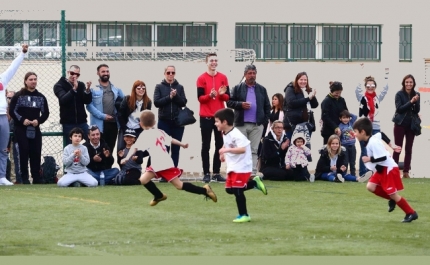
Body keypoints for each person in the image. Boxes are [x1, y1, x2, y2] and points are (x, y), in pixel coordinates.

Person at [121, 110, 217, 206]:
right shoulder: (160, 132)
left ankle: (205, 190)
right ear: (155, 122)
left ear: (140, 124)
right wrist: (182, 144)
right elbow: (171, 140)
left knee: (179, 186)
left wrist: (126, 158)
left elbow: (134, 147)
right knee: (143, 179)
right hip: (159, 163)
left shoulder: (145, 135)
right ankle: (159, 196)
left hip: (163, 164)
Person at [353, 117, 418, 223]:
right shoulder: (373, 138)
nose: (354, 134)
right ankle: (392, 199)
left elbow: (383, 157)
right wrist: (391, 145)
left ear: (363, 132)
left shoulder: (373, 143)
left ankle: (411, 212)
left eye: (355, 132)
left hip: (389, 169)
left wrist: (369, 158)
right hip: (381, 169)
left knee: (393, 194)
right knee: (370, 187)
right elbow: (381, 134)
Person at [214, 108, 267, 223]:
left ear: (224, 122)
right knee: (229, 189)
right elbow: (227, 143)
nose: (215, 123)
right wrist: (223, 150)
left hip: (242, 165)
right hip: (233, 165)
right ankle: (254, 183)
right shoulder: (225, 132)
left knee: (238, 190)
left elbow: (243, 149)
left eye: (217, 121)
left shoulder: (237, 134)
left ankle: (244, 215)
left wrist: (226, 150)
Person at [227, 64, 271, 176]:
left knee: (254, 150)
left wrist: (263, 121)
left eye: (254, 73)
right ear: (245, 75)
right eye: (249, 73)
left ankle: (252, 173)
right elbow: (229, 102)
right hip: (241, 124)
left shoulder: (262, 89)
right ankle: (240, 172)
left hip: (257, 125)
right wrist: (240, 104)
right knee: (241, 149)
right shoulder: (237, 88)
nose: (252, 75)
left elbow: (267, 106)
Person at [8, 71, 50, 184]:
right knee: (23, 153)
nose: (33, 81)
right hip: (20, 129)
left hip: (35, 130)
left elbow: (45, 113)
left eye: (35, 79)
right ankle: (24, 178)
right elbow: (12, 111)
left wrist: (38, 121)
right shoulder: (18, 96)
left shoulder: (41, 97)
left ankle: (36, 177)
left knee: (35, 153)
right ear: (25, 81)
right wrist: (22, 120)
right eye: (30, 79)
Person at [197, 53, 230, 183]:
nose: (214, 62)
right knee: (206, 145)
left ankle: (216, 172)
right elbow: (200, 98)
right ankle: (206, 172)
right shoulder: (201, 78)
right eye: (211, 60)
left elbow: (228, 97)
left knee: (219, 144)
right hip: (205, 116)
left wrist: (222, 95)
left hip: (220, 118)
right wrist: (210, 96)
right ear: (207, 62)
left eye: (216, 60)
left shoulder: (223, 77)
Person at [0, 44, 28, 186]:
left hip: (3, 117)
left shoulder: (2, 79)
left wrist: (22, 54)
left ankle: (1, 177)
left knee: (4, 148)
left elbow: (13, 67)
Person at [153, 65, 187, 167]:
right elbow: (157, 102)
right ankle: (165, 171)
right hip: (164, 121)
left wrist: (176, 96)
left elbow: (183, 103)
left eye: (173, 72)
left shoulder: (180, 87)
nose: (170, 74)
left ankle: (174, 171)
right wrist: (169, 97)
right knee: (164, 147)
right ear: (164, 74)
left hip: (178, 122)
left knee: (176, 148)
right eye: (168, 72)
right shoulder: (159, 87)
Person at [355, 76, 389, 177]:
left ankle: (375, 172)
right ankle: (363, 173)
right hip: (364, 127)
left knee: (376, 150)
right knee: (365, 150)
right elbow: (357, 90)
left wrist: (386, 75)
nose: (370, 87)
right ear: (365, 86)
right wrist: (361, 72)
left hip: (376, 127)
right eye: (368, 85)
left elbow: (385, 89)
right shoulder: (362, 98)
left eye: (373, 85)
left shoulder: (377, 98)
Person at [87, 64, 124, 152]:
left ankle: (109, 166)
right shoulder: (93, 88)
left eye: (107, 71)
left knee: (109, 150)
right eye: (103, 71)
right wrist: (103, 116)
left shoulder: (116, 88)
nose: (105, 73)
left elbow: (125, 101)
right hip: (99, 125)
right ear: (98, 73)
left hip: (113, 124)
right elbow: (89, 106)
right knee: (98, 151)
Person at [53, 65, 92, 145]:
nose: (74, 76)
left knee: (91, 139)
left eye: (77, 74)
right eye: (72, 73)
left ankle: (86, 155)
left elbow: (87, 101)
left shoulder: (80, 85)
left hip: (82, 121)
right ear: (68, 72)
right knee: (70, 146)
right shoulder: (59, 85)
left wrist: (87, 91)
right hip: (68, 123)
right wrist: (74, 89)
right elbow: (63, 99)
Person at [392, 74, 420, 179]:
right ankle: (394, 171)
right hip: (400, 124)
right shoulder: (399, 94)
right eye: (407, 82)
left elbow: (417, 110)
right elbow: (399, 109)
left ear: (413, 84)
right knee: (398, 148)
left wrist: (416, 102)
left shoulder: (417, 94)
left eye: (411, 82)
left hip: (411, 125)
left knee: (409, 149)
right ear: (404, 83)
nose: (409, 84)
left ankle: (406, 172)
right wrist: (411, 102)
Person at [283, 72, 318, 140]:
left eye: (305, 80)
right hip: (293, 124)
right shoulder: (290, 89)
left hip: (307, 124)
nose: (303, 81)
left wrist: (312, 96)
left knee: (306, 148)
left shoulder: (307, 90)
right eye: (301, 79)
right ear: (297, 80)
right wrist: (308, 98)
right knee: (292, 147)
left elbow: (315, 105)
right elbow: (291, 103)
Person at [118, 80, 152, 151]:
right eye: (139, 88)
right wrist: (124, 128)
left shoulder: (148, 102)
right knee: (121, 151)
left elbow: (147, 118)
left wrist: (142, 129)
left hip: (138, 129)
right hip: (126, 127)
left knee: (138, 152)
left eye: (143, 88)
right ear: (134, 89)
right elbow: (120, 114)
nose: (141, 90)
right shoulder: (127, 99)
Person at [6, 90, 21, 184]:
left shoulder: (17, 109)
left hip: (13, 138)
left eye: (12, 98)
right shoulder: (3, 109)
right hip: (4, 138)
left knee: (14, 159)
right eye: (8, 98)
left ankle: (14, 178)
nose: (10, 100)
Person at [338, 110, 358, 176]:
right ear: (340, 118)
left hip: (352, 145)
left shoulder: (351, 123)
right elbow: (338, 136)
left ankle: (353, 174)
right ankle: (344, 174)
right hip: (344, 146)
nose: (346, 119)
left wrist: (348, 112)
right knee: (345, 161)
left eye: (347, 117)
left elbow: (355, 116)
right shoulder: (340, 126)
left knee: (352, 161)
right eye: (344, 118)